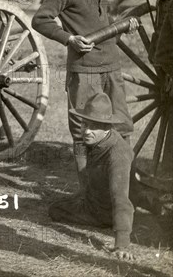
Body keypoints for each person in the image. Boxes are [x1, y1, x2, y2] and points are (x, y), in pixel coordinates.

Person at [31, 0, 137, 192]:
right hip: (85, 71)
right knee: (84, 134)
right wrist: (69, 39)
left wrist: (124, 24)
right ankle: (89, 196)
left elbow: (103, 19)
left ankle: (124, 190)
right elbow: (40, 20)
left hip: (111, 67)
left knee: (122, 126)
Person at [49, 93, 135, 261]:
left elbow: (121, 199)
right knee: (57, 206)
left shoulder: (117, 154)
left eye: (94, 127)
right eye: (84, 124)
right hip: (96, 200)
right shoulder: (99, 140)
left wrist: (122, 243)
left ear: (108, 127)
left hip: (106, 211)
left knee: (55, 210)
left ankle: (107, 221)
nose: (87, 131)